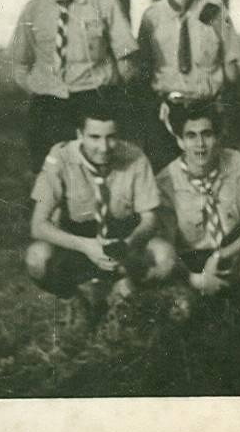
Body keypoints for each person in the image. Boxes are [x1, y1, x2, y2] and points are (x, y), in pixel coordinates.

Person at [25, 92, 176, 324]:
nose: (104, 147)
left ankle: (122, 291)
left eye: (111, 137)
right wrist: (86, 247)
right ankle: (74, 299)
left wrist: (128, 244)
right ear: (79, 135)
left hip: (123, 241)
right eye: (94, 137)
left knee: (165, 257)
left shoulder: (135, 158)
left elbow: (149, 218)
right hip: (78, 241)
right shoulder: (60, 157)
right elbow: (38, 225)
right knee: (37, 257)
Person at [157, 101, 240, 340]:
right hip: (192, 268)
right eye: (191, 136)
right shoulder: (166, 182)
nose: (200, 145)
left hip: (233, 255)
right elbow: (166, 251)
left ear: (217, 137)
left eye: (207, 134)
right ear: (179, 141)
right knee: (184, 321)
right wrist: (197, 279)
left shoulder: (234, 161)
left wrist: (220, 256)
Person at [10, 0, 138, 172]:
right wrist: (42, 89)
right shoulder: (34, 10)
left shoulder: (104, 3)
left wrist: (109, 96)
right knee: (48, 175)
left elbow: (127, 61)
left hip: (93, 102)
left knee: (97, 172)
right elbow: (20, 64)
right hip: (48, 108)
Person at [138, 0, 240, 171]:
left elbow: (232, 71)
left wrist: (225, 109)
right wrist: (155, 105)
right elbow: (143, 73)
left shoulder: (214, 10)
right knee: (165, 184)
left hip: (206, 112)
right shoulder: (152, 17)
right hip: (166, 113)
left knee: (212, 183)